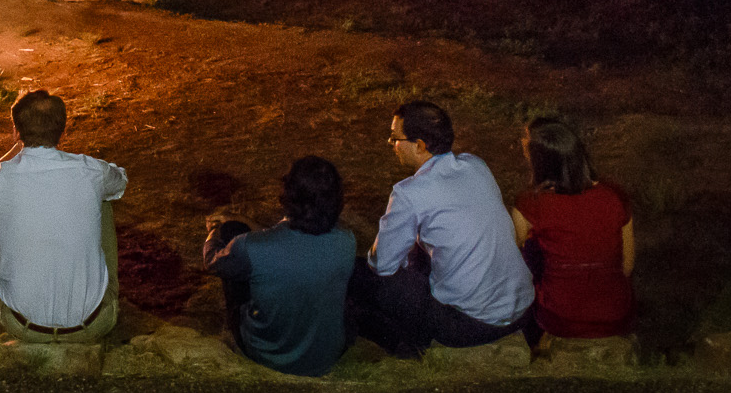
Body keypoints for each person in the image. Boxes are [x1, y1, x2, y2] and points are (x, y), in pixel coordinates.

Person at [350, 100, 533, 357]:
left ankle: (405, 343)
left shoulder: (409, 193)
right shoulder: (476, 165)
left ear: (420, 145)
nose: (391, 145)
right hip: (521, 310)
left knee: (361, 275)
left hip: (469, 325)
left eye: (395, 138)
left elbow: (382, 265)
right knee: (420, 258)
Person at [0, 90, 126, 343]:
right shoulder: (91, 170)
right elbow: (120, 182)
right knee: (103, 199)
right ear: (63, 130)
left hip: (23, 327)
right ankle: (99, 299)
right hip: (93, 325)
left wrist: (14, 154)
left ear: (16, 132)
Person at [202, 156, 357, 376]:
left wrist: (214, 232)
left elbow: (211, 261)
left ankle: (235, 332)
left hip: (266, 355)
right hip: (325, 357)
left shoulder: (251, 247)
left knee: (233, 257)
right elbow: (290, 244)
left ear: (288, 195)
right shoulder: (347, 240)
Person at [511, 116, 635, 341]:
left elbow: (513, 266)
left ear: (540, 158)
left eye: (526, 141)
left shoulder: (529, 204)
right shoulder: (615, 196)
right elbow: (627, 265)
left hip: (560, 318)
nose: (522, 144)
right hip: (615, 314)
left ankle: (536, 341)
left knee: (527, 250)